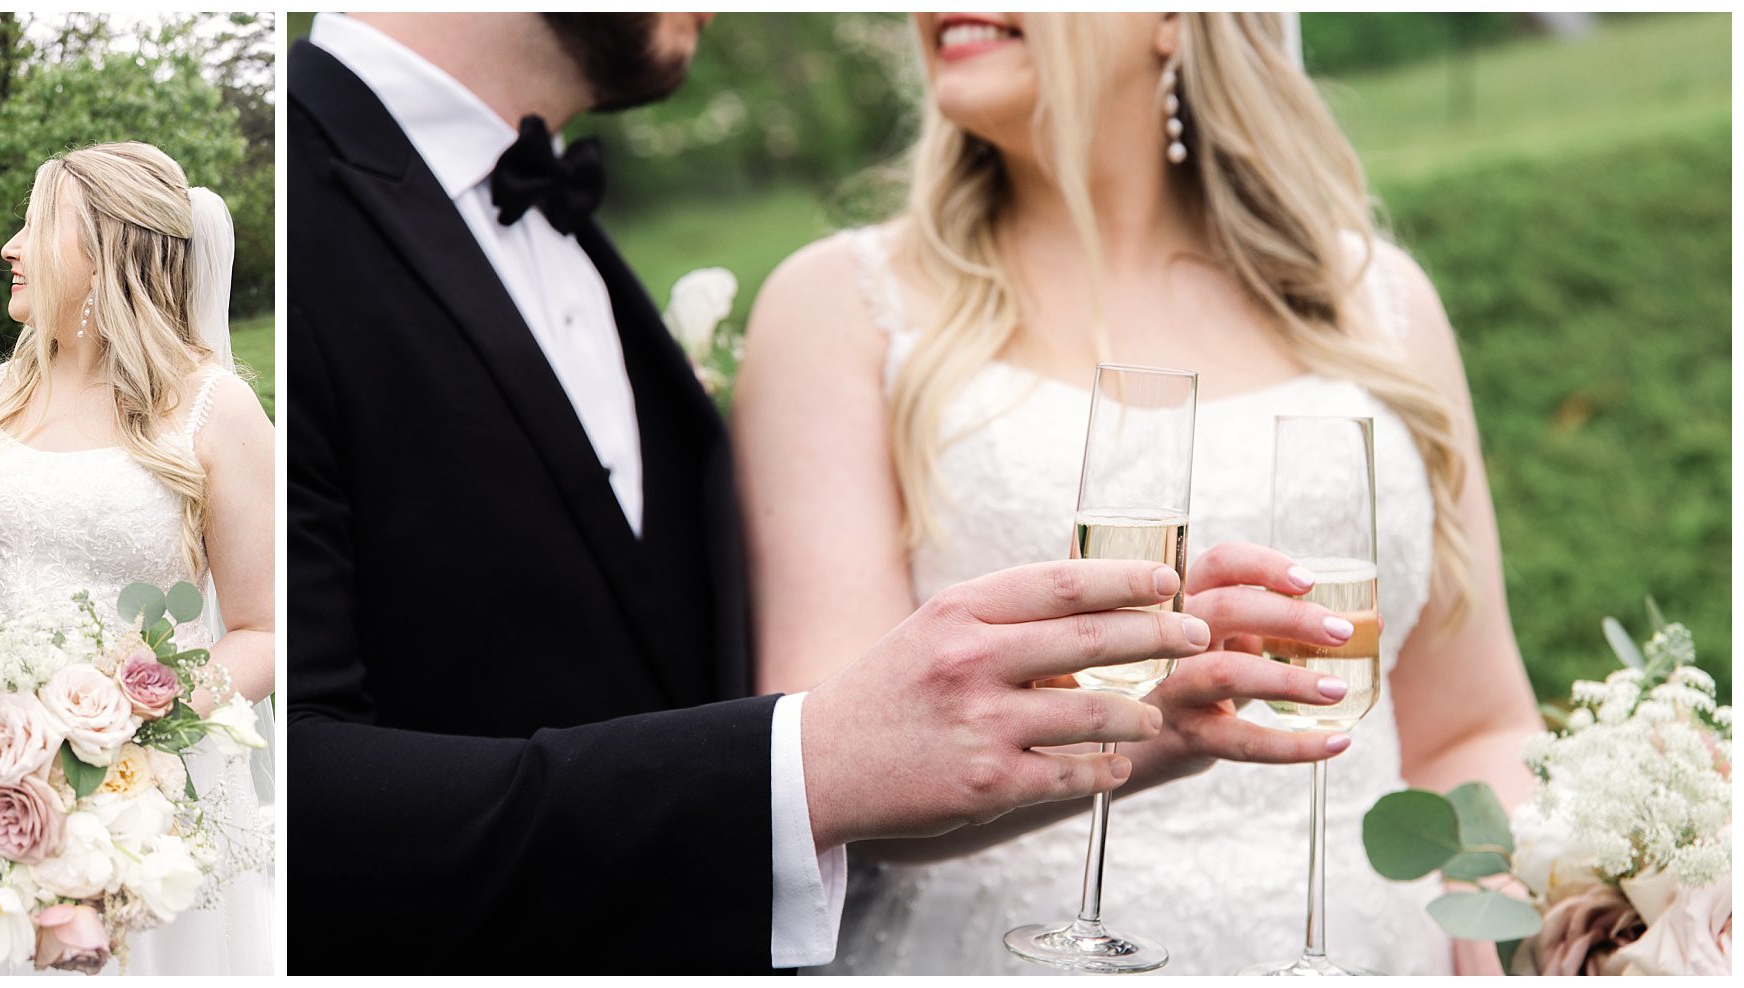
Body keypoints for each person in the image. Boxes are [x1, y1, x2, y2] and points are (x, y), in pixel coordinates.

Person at [288, 13, 1355, 973]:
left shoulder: (564, 234)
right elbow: (284, 800)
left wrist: (1126, 726)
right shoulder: (287, 215)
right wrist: (804, 763)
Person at [734, 12, 1542, 975]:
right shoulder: (840, 308)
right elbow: (833, 786)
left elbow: (1475, 728)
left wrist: (1499, 900)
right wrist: (1153, 728)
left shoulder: (1377, 305)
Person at [0, 142, 276, 974]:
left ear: (106, 250)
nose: (9, 248)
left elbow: (260, 630)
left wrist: (125, 728)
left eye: (32, 226)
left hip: (142, 781)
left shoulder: (215, 406)